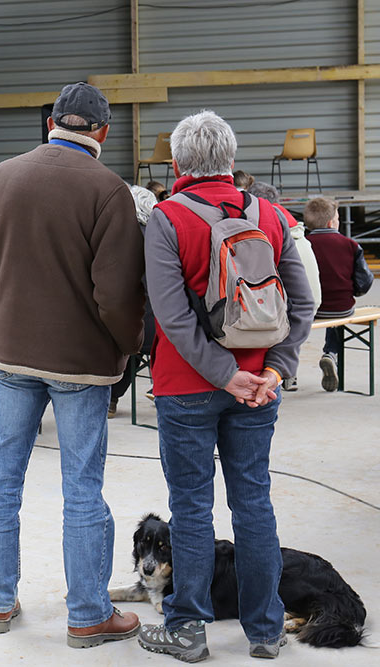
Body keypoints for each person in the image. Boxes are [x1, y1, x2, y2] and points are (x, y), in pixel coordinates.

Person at [0, 82, 145, 647]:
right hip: (81, 365)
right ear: (103, 132)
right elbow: (116, 295)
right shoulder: (109, 191)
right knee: (82, 487)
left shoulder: (1, 177)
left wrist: (9, 315)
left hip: (11, 355)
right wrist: (128, 346)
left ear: (51, 124)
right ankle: (87, 614)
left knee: (1, 477)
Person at [136, 110, 314, 662]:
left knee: (191, 508)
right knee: (253, 502)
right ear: (232, 161)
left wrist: (220, 374)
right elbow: (303, 303)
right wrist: (274, 370)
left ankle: (187, 628)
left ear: (176, 164)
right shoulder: (272, 215)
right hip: (259, 386)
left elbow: (171, 314)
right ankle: (265, 629)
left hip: (185, 386)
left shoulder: (167, 219)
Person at [246, 182, 321, 389]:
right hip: (313, 308)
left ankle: (280, 370)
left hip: (289, 315)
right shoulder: (299, 233)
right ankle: (286, 371)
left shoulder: (270, 231)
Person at [304, 196, 374, 393]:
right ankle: (331, 353)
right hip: (341, 308)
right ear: (331, 223)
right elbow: (365, 282)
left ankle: (288, 372)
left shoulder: (302, 245)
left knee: (309, 309)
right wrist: (351, 290)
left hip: (309, 310)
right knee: (335, 310)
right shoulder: (350, 245)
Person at [108, 184, 158, 418]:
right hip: (164, 330)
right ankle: (160, 388)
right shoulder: (162, 237)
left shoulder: (119, 240)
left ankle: (110, 398)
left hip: (135, 330)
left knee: (123, 338)